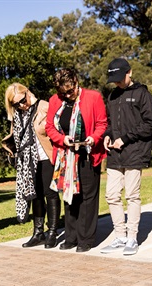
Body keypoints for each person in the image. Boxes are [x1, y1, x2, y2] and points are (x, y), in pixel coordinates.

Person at [45, 68, 107, 253]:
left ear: (76, 81)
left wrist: (93, 138)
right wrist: (62, 139)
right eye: (63, 92)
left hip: (87, 154)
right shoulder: (55, 100)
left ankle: (85, 239)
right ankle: (70, 237)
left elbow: (102, 124)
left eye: (70, 91)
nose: (67, 95)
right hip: (65, 156)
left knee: (87, 197)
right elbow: (50, 127)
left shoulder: (94, 97)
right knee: (69, 198)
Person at [99, 58, 152, 255]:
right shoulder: (113, 96)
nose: (116, 83)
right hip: (115, 154)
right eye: (113, 79)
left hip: (135, 151)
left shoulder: (141, 93)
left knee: (132, 195)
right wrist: (107, 135)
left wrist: (125, 138)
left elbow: (150, 124)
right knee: (111, 195)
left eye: (118, 78)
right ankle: (120, 236)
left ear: (129, 72)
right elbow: (109, 123)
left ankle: (132, 238)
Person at [3, 83, 61, 249]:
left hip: (46, 156)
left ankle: (52, 231)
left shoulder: (43, 106)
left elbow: (55, 129)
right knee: (34, 195)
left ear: (27, 92)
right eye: (16, 104)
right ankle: (38, 232)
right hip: (28, 161)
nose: (21, 105)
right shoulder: (18, 115)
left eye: (22, 100)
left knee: (50, 193)